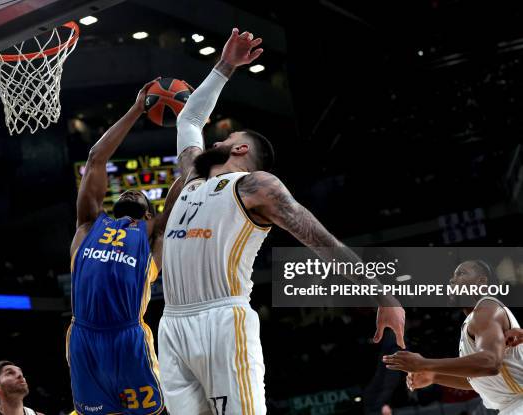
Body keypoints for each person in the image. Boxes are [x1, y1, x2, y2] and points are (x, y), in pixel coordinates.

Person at [157, 28, 406, 415]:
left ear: (240, 148)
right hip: (172, 324)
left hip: (223, 320)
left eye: (226, 136)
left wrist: (383, 294)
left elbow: (322, 241)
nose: (215, 138)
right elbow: (188, 117)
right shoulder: (192, 177)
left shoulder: (256, 185)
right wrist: (225, 66)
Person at [67, 80, 184, 415]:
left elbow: (183, 185)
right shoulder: (89, 224)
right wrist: (137, 109)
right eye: (127, 193)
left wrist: (192, 129)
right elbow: (96, 158)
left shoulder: (153, 237)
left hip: (127, 336)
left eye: (142, 198)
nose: (132, 193)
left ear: (150, 216)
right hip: (84, 336)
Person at [384, 260, 523, 414]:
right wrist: (435, 376)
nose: (451, 280)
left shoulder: (487, 309)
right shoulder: (475, 319)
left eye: (461, 273)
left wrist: (424, 364)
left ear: (481, 282)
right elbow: (480, 378)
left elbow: (490, 363)